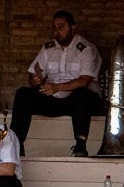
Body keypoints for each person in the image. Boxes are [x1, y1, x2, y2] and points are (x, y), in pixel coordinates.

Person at [10, 10, 102, 157]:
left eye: (61, 27)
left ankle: (80, 145)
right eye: (54, 27)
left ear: (73, 28)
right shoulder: (48, 48)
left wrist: (57, 87)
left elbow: (85, 80)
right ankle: (16, 145)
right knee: (23, 94)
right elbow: (33, 72)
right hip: (54, 98)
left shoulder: (86, 49)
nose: (56, 31)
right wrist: (35, 79)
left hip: (79, 102)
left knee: (82, 95)